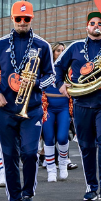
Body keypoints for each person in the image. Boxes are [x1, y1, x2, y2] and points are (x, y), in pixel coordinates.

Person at [0, 0, 55, 201]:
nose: (22, 22)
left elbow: (51, 76)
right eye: (18, 18)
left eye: (26, 19)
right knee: (9, 156)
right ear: (12, 18)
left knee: (29, 153)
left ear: (31, 19)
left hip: (31, 109)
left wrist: (34, 83)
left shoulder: (43, 45)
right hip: (5, 108)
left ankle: (28, 197)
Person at [55, 12, 101, 201]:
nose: (96, 26)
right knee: (86, 146)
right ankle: (91, 186)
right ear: (87, 27)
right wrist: (61, 84)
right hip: (81, 102)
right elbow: (57, 66)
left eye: (100, 24)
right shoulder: (75, 47)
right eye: (92, 23)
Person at [42, 41, 72, 182]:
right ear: (53, 52)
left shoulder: (70, 67)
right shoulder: (45, 66)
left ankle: (63, 163)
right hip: (48, 106)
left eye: (63, 50)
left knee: (62, 137)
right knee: (48, 138)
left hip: (64, 106)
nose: (61, 53)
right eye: (58, 50)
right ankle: (51, 169)